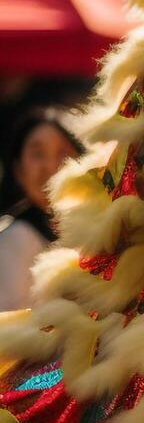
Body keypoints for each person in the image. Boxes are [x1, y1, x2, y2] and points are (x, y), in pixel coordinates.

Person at [0, 107, 80, 310]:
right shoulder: (16, 237)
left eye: (63, 153)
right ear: (19, 170)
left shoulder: (93, 232)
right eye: (38, 154)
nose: (51, 165)